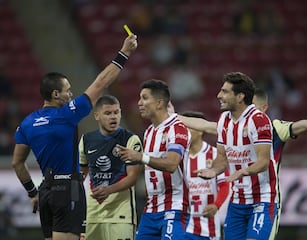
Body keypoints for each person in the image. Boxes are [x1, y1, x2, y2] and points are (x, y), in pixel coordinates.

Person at [176, 88, 307, 240]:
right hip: (238, 201)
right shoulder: (231, 127)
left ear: (264, 108)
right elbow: (205, 125)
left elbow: (306, 124)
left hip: (264, 200)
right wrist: (170, 116)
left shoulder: (274, 128)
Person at [11, 34, 138, 240]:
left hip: (46, 191)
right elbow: (101, 82)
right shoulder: (66, 115)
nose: (71, 95)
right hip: (68, 190)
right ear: (55, 94)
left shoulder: (27, 123)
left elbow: (17, 163)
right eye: (67, 91)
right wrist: (124, 53)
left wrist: (33, 193)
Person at [195, 72, 277, 240]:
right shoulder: (224, 119)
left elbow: (263, 162)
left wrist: (242, 172)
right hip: (237, 201)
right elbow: (222, 158)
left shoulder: (259, 119)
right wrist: (213, 171)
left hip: (262, 199)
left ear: (240, 96)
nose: (219, 95)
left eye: (225, 92)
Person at [118, 79, 191, 240]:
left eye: (144, 98)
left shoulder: (177, 128)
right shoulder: (149, 131)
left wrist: (140, 157)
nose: (139, 103)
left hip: (175, 206)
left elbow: (172, 164)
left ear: (159, 103)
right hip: (151, 209)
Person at [78, 95, 143, 240]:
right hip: (92, 214)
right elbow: (81, 173)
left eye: (116, 112)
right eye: (108, 113)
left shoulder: (130, 139)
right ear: (97, 116)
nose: (113, 117)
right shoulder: (86, 140)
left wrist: (109, 190)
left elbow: (133, 177)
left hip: (121, 214)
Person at [181, 111, 230, 240]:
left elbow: (224, 185)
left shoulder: (214, 154)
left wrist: (216, 205)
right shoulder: (177, 156)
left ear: (200, 130)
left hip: (207, 228)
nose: (185, 132)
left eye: (189, 128)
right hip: (181, 224)